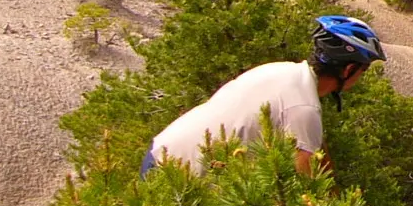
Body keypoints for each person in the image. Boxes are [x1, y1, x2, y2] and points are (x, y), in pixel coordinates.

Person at [142, 15, 387, 178]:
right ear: (349, 70)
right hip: (180, 177)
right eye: (363, 70)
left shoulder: (279, 70)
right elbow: (309, 186)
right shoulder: (304, 108)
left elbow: (316, 150)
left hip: (162, 150)